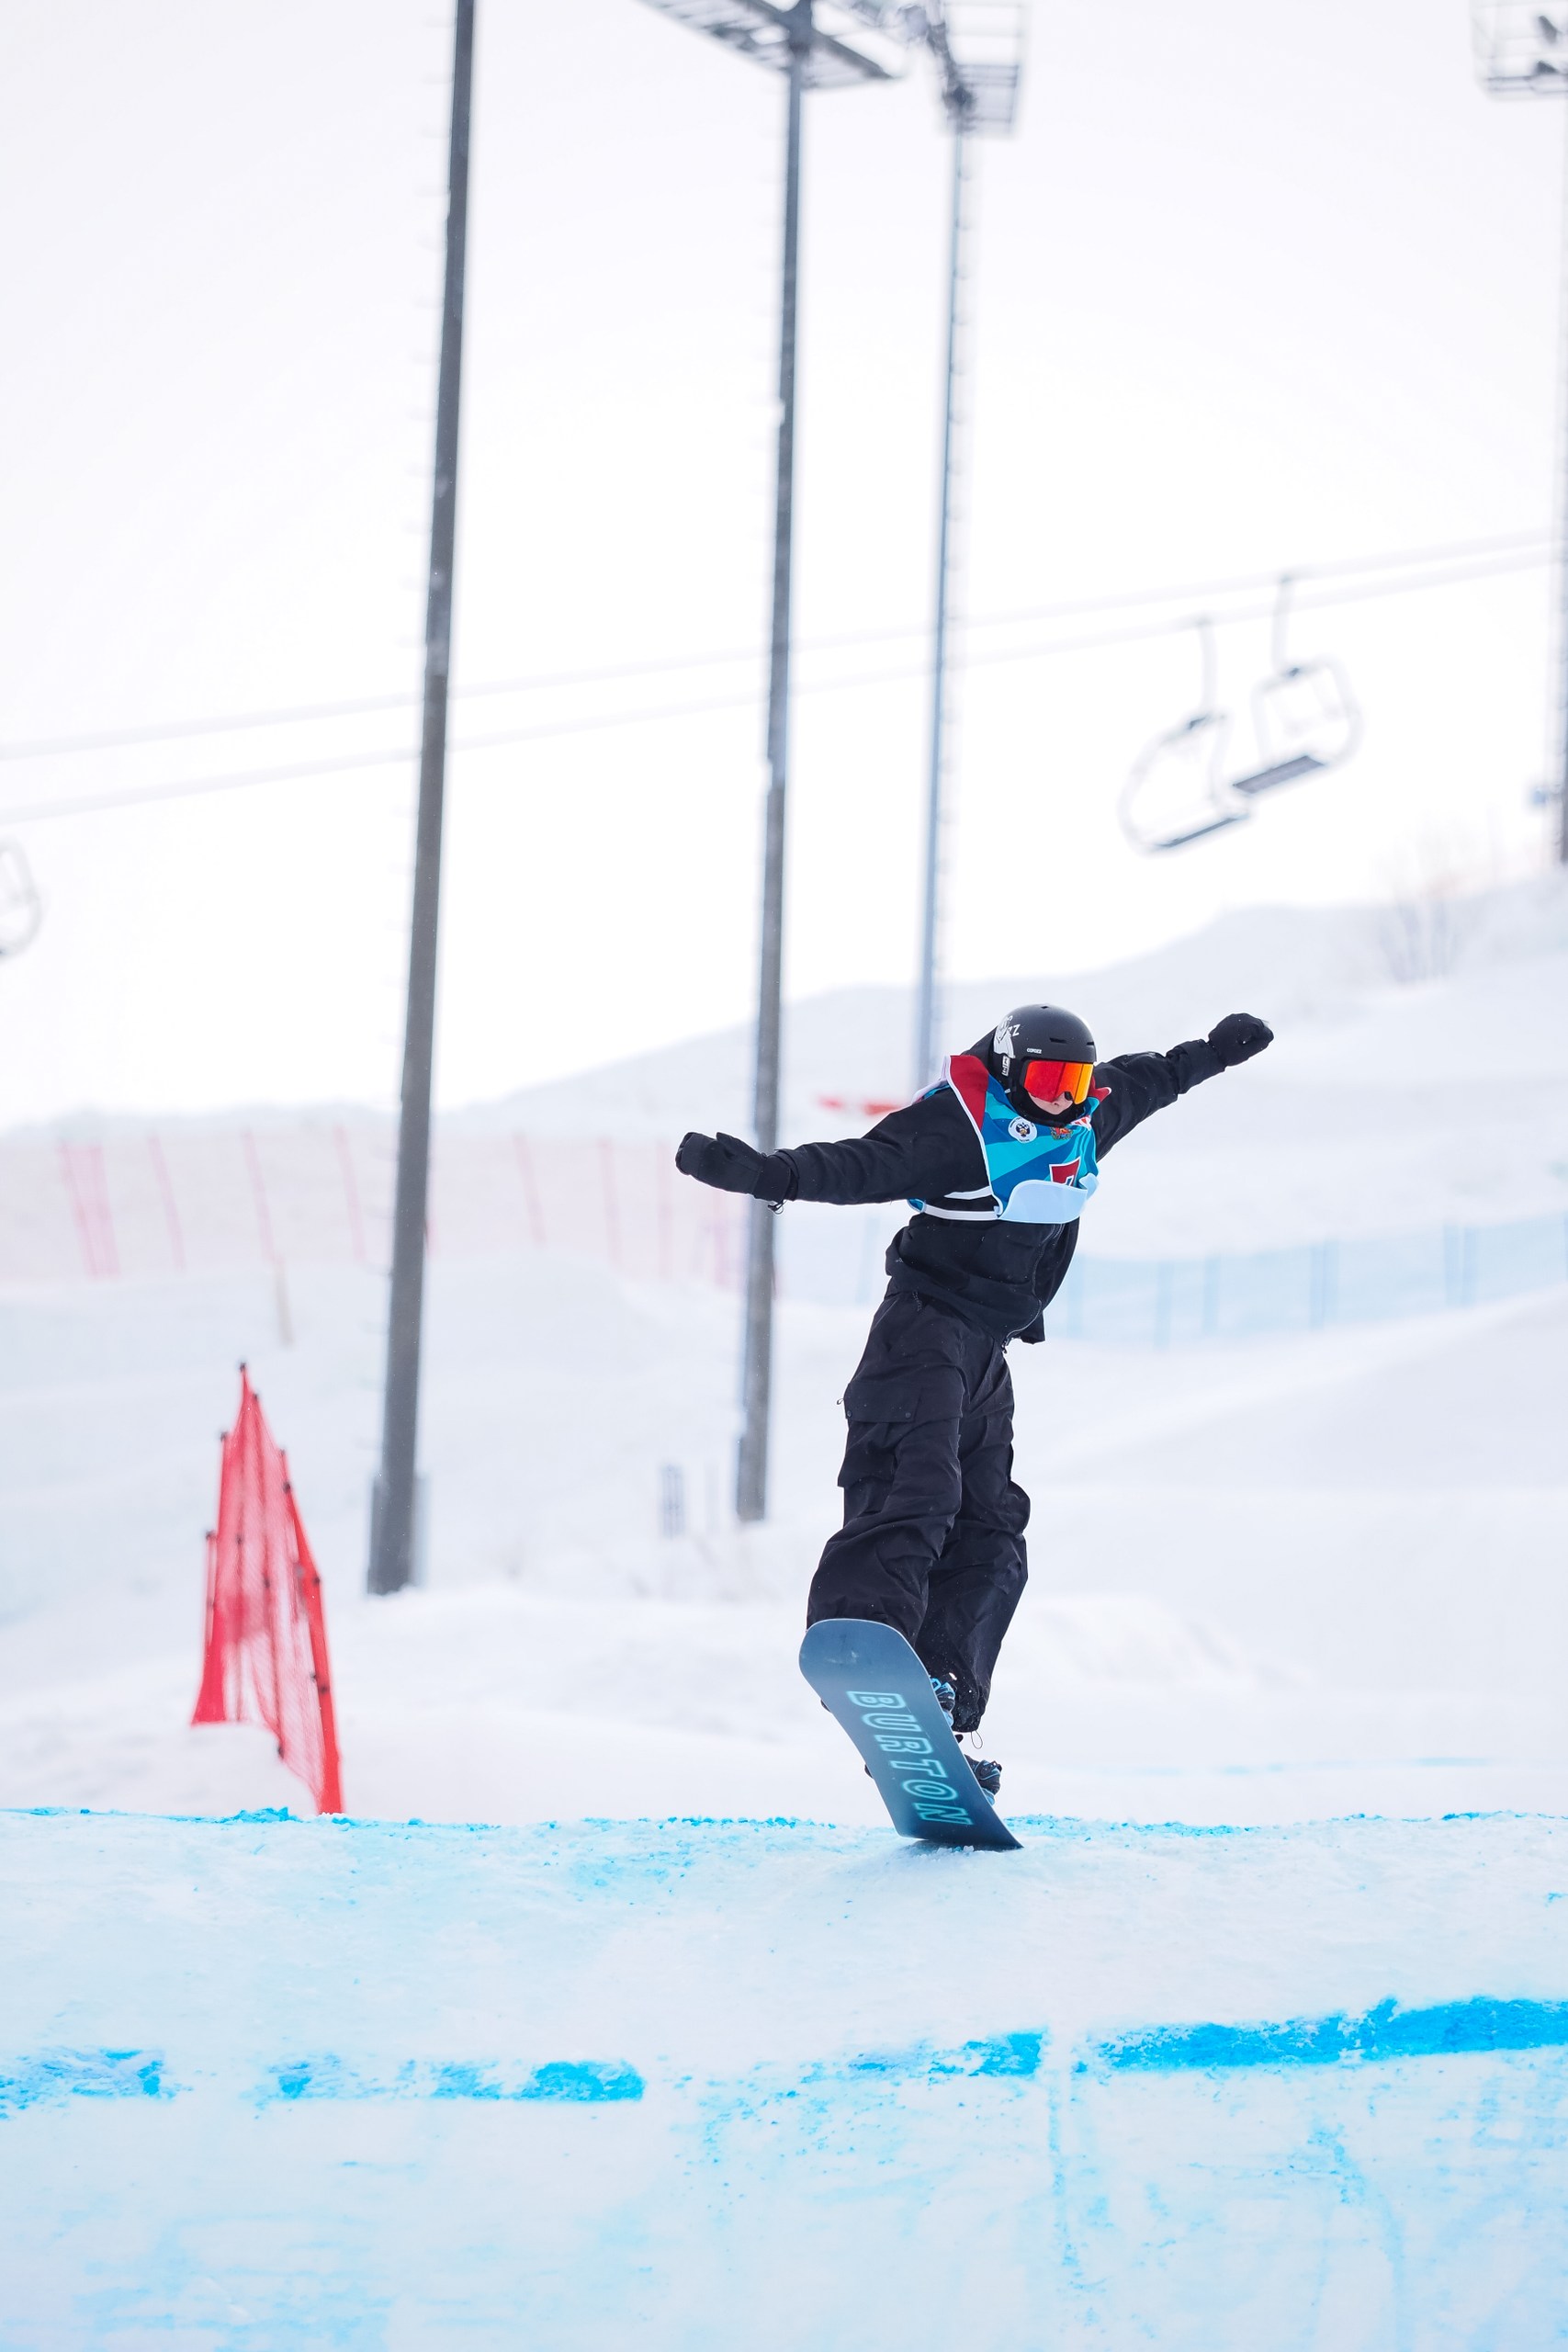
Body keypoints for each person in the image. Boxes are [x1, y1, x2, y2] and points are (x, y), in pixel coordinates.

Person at [675, 1004, 1273, 1793]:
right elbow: (861, 1165)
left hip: (986, 1350)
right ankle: (866, 1635)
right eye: (1046, 1078)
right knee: (916, 1485)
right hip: (920, 1334)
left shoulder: (1085, 1117)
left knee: (993, 1527)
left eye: (1074, 1081)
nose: (1061, 1095)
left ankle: (942, 1693)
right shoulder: (956, 1129)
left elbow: (1151, 1078)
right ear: (1008, 1071)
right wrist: (767, 1175)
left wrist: (1212, 1053)